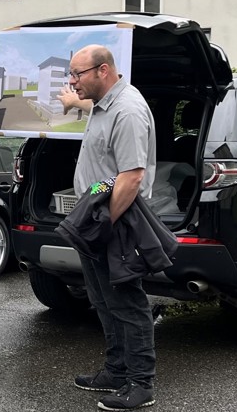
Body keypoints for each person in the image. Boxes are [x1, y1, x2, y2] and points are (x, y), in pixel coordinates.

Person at [67, 44, 158, 411]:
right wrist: (72, 102)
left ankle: (141, 384)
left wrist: (105, 225)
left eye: (77, 75)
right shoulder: (104, 104)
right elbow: (91, 107)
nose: (72, 82)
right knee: (103, 299)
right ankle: (116, 371)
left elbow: (132, 177)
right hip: (96, 219)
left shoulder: (129, 110)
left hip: (115, 221)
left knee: (127, 302)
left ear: (103, 71)